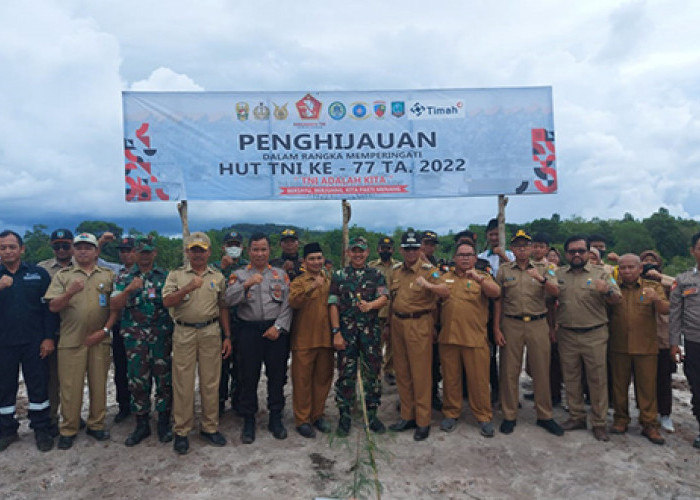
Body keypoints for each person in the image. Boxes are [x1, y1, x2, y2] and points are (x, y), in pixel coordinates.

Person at [45, 232, 116, 450]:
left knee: (98, 385)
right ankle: (69, 428)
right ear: (74, 251)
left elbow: (116, 308)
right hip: (71, 340)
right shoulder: (63, 276)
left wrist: (105, 331)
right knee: (70, 387)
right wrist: (69, 292)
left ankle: (96, 425)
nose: (83, 251)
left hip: (98, 339)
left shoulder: (107, 275)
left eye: (88, 247)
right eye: (79, 247)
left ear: (96, 251)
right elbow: (53, 306)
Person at [162, 232, 231, 454]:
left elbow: (223, 307)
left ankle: (210, 427)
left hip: (211, 331)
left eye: (202, 250)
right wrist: (188, 288)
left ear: (209, 252)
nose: (198, 254)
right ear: (187, 252)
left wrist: (227, 336)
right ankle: (182, 430)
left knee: (211, 382)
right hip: (184, 332)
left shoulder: (217, 277)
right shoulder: (176, 275)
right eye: (194, 250)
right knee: (183, 383)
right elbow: (167, 301)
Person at [551, 235, 621, 442]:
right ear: (567, 254)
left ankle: (599, 423)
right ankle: (577, 416)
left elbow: (617, 299)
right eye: (572, 251)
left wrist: (607, 289)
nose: (577, 254)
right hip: (567, 334)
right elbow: (549, 298)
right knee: (571, 378)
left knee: (597, 380)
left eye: (581, 251)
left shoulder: (602, 273)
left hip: (595, 334)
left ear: (588, 253)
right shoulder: (559, 274)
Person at [493, 230, 563, 436]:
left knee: (541, 370)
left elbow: (556, 293)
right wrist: (497, 328)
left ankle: (545, 415)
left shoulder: (546, 268)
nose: (522, 249)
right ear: (512, 249)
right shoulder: (504, 270)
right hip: (512, 323)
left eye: (525, 245)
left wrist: (541, 279)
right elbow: (499, 300)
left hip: (538, 322)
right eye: (518, 246)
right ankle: (509, 415)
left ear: (532, 248)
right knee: (509, 371)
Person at [224, 233, 292, 444]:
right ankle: (249, 420)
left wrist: (279, 326)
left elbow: (288, 304)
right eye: (255, 249)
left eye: (263, 249)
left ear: (269, 251)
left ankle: (275, 418)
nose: (260, 253)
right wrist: (246, 285)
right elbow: (228, 300)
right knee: (248, 377)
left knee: (277, 376)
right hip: (248, 331)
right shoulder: (239, 275)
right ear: (249, 251)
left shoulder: (280, 275)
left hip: (275, 330)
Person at [110, 236, 174, 446]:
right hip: (135, 341)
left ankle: (163, 422)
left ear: (154, 253)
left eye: (148, 252)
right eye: (141, 252)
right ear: (134, 254)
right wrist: (130, 289)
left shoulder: (165, 276)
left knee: (164, 381)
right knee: (137, 381)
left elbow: (172, 303)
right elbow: (114, 305)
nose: (144, 256)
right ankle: (142, 424)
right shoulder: (124, 277)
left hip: (160, 338)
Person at [0, 230, 56, 452]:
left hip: (35, 342)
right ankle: (7, 430)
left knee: (38, 386)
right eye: (3, 247)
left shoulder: (38, 274)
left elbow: (49, 310)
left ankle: (41, 428)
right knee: (4, 389)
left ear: (21, 249)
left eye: (12, 246)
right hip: (3, 343)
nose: (7, 251)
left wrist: (49, 337)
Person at [437, 240, 499, 437]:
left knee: (479, 381)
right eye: (461, 255)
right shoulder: (444, 278)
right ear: (455, 258)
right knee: (451, 380)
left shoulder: (483, 276)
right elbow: (434, 304)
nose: (464, 258)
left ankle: (483, 416)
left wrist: (479, 280)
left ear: (475, 258)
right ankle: (451, 413)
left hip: (475, 339)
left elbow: (496, 293)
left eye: (469, 255)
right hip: (449, 338)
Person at [329, 237, 389, 437]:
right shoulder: (338, 275)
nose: (357, 254)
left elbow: (384, 297)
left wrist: (370, 306)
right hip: (346, 333)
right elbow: (333, 305)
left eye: (361, 251)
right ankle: (344, 415)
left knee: (372, 374)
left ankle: (371, 415)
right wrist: (336, 332)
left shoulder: (376, 274)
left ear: (367, 252)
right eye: (354, 251)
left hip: (370, 333)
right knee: (346, 374)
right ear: (348, 253)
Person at [387, 231, 443, 441]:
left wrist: (428, 285)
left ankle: (423, 421)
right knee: (402, 372)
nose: (411, 252)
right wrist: (387, 325)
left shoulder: (430, 270)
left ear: (420, 250)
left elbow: (445, 291)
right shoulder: (395, 271)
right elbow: (392, 300)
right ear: (401, 250)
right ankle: (407, 416)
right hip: (397, 323)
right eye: (407, 248)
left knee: (420, 374)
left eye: (414, 248)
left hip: (419, 323)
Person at [608, 254, 667, 445]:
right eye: (623, 268)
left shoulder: (653, 286)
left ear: (640, 268)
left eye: (631, 267)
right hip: (618, 346)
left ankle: (649, 424)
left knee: (647, 388)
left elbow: (666, 309)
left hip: (646, 347)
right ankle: (620, 419)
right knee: (619, 386)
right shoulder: (613, 288)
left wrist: (656, 299)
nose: (627, 271)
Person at [288, 243, 334, 438]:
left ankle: (318, 415)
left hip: (326, 338)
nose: (316, 262)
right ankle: (302, 419)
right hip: (303, 339)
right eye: (312, 259)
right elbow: (294, 302)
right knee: (302, 381)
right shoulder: (298, 281)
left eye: (319, 258)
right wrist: (311, 287)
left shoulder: (330, 280)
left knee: (323, 380)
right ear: (304, 262)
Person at [37, 228, 75, 436]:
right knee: (51, 379)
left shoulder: (84, 266)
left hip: (75, 331)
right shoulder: (42, 269)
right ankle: (52, 418)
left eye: (65, 245)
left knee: (74, 379)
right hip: (51, 330)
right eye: (57, 246)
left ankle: (73, 416)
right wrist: (46, 335)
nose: (61, 249)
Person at [670, 231, 700, 449]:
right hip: (693, 341)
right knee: (697, 387)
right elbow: (674, 315)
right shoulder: (683, 280)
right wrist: (674, 344)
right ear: (693, 251)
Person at [640, 249, 676, 432]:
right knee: (642, 379)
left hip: (662, 338)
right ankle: (645, 413)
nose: (648, 262)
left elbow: (678, 284)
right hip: (641, 338)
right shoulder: (637, 282)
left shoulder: (667, 283)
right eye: (645, 260)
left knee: (663, 378)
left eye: (652, 260)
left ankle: (665, 414)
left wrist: (658, 276)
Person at [478, 218, 513, 405]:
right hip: (489, 308)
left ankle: (509, 393)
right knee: (490, 353)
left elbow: (516, 273)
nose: (494, 237)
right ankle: (494, 389)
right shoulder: (481, 257)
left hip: (511, 307)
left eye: (497, 234)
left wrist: (503, 256)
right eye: (491, 234)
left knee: (509, 355)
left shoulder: (512, 255)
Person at [214, 230, 247, 416]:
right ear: (223, 247)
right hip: (218, 326)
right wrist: (222, 268)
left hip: (242, 324)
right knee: (219, 368)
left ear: (242, 248)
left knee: (241, 366)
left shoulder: (247, 267)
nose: (233, 248)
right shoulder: (213, 268)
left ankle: (238, 401)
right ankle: (218, 403)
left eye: (236, 244)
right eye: (230, 244)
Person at [111, 236, 137, 424]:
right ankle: (124, 406)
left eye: (129, 250)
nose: (126, 254)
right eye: (123, 251)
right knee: (121, 369)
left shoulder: (150, 273)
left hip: (148, 328)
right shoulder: (115, 274)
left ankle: (144, 406)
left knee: (146, 370)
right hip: (122, 327)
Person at [369, 236, 399, 385]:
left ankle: (389, 371)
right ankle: (375, 372)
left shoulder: (399, 267)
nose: (385, 251)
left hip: (393, 312)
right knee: (376, 344)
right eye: (383, 248)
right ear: (378, 250)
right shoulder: (372, 267)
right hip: (376, 311)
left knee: (392, 345)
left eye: (388, 248)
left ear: (392, 250)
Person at [420, 230, 444, 411]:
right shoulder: (407, 264)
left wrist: (427, 264)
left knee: (434, 361)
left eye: (432, 244)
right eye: (426, 243)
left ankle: (433, 394)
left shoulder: (437, 265)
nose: (430, 247)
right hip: (412, 320)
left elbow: (442, 285)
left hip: (433, 318)